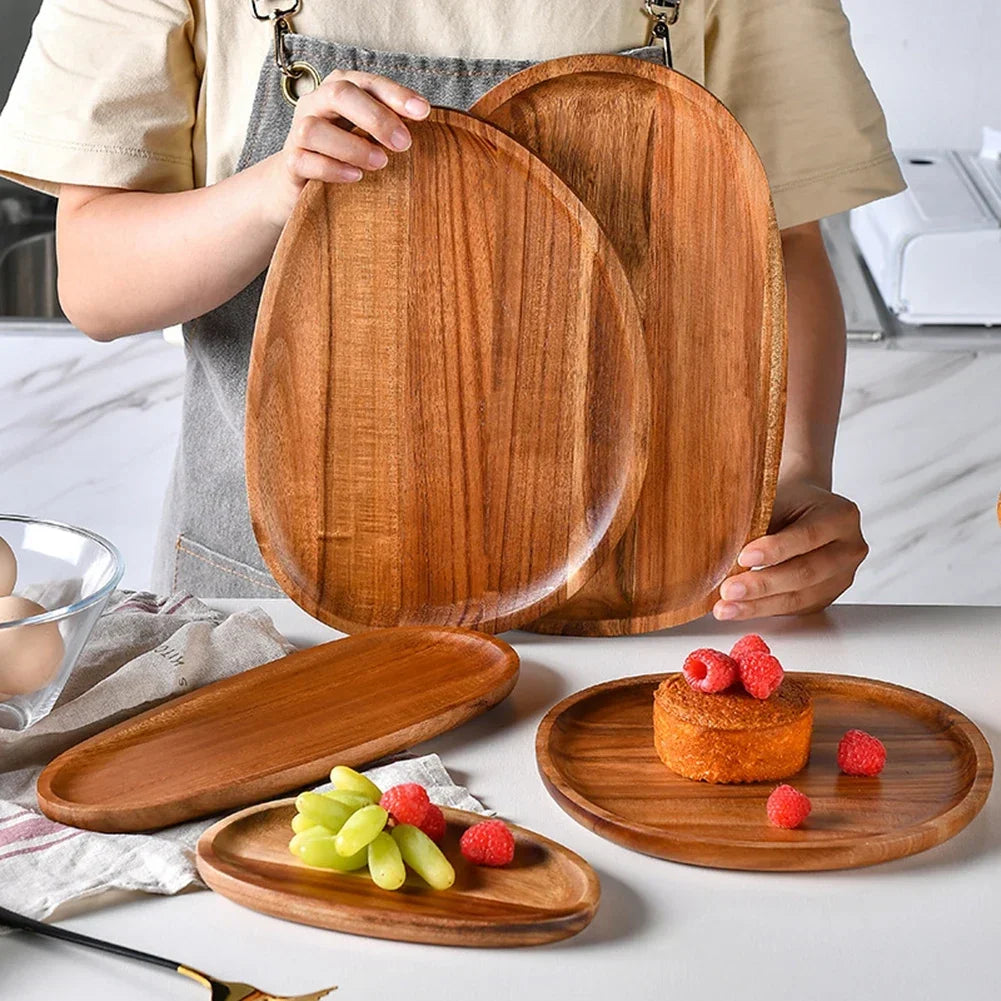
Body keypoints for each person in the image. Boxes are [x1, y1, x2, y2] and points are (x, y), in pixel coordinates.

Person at [0, 0, 904, 620]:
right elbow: (94, 278)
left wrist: (791, 482)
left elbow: (781, 246)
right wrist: (276, 192)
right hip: (273, 610)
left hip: (635, 593)